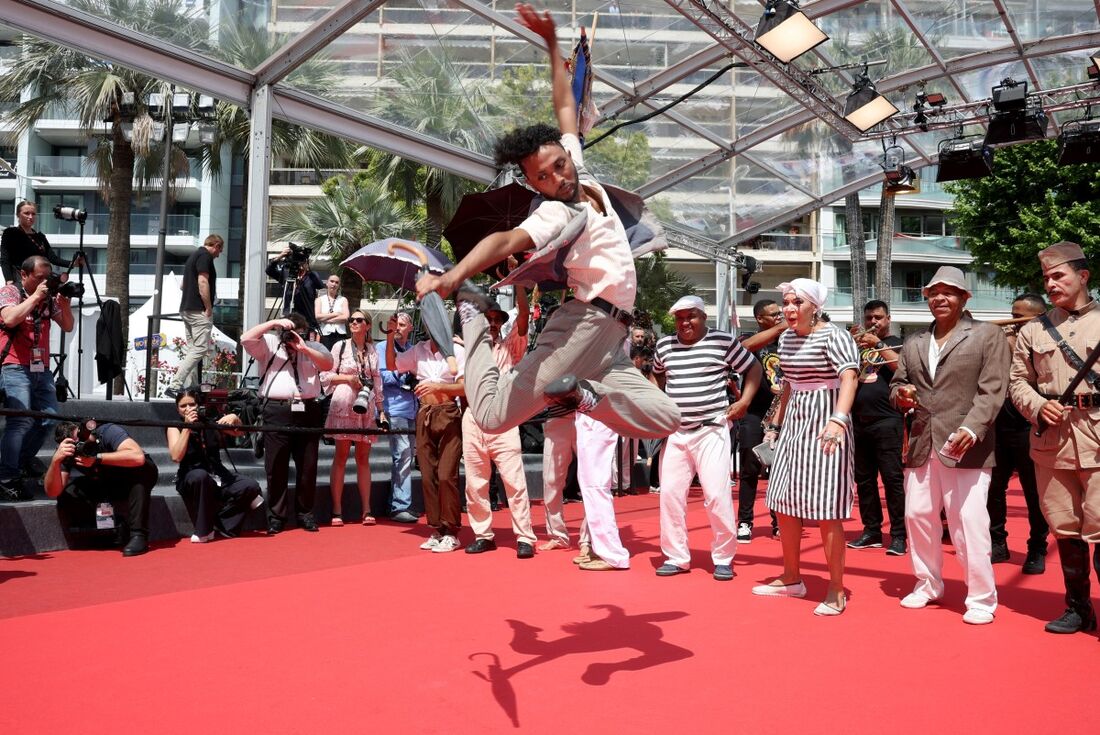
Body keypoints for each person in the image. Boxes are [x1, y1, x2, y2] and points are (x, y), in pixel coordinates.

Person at [415, 4, 679, 442]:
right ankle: (472, 310)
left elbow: (564, 104)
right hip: (583, 326)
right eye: (543, 177)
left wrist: (552, 42)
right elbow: (505, 239)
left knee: (668, 417)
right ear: (532, 182)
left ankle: (585, 396)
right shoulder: (555, 211)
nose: (558, 178)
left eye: (559, 165)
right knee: (491, 417)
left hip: (613, 338)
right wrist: (456, 275)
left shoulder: (578, 165)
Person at [891, 266, 1008, 626]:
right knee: (917, 517)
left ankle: (981, 597)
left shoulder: (987, 335)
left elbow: (993, 390)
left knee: (968, 522)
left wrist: (972, 429)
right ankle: (927, 584)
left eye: (949, 292)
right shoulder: (912, 342)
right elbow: (897, 384)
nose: (940, 298)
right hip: (922, 443)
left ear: (964, 298)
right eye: (933, 292)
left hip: (967, 446)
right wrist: (902, 395)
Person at [752, 278, 858, 616]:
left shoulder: (836, 336)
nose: (789, 308)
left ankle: (836, 589)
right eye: (786, 302)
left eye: (797, 302)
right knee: (783, 501)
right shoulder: (784, 338)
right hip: (794, 425)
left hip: (827, 424)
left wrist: (839, 418)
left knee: (827, 509)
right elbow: (788, 385)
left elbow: (849, 377)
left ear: (815, 305)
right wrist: (774, 426)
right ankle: (792, 578)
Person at [1009, 242, 1100, 634]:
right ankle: (1078, 608)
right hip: (1053, 444)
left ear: (1083, 276)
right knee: (1065, 527)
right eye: (1046, 278)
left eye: (1058, 275)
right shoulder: (1033, 330)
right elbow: (1018, 382)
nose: (1050, 284)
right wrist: (1036, 406)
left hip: (1098, 439)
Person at [652, 295, 761, 581]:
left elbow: (753, 368)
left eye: (691, 316)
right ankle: (676, 557)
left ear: (703, 317)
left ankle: (723, 557)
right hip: (676, 431)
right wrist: (657, 405)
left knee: (716, 495)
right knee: (671, 495)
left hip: (711, 427)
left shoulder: (722, 341)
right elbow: (656, 376)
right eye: (679, 317)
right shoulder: (664, 345)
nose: (684, 322)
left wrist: (745, 401)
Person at [241, 313, 333, 535]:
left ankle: (305, 514)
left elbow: (328, 364)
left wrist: (304, 349)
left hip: (308, 409)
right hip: (276, 409)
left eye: (297, 333)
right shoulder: (270, 343)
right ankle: (277, 516)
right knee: (276, 466)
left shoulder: (310, 346)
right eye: (289, 334)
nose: (292, 339)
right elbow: (245, 338)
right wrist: (273, 324)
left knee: (308, 467)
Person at [463, 292, 538, 559]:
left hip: (504, 416)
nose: (493, 323)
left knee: (514, 481)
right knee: (475, 483)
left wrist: (518, 280)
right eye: (489, 319)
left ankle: (525, 537)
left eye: (497, 319)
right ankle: (483, 535)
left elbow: (523, 317)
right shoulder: (470, 351)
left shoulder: (509, 346)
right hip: (473, 417)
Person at [386, 313, 467, 553]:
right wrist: (390, 336)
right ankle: (437, 529)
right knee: (428, 474)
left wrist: (439, 386)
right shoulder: (418, 350)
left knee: (445, 474)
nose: (435, 328)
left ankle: (451, 530)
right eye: (432, 324)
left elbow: (464, 386)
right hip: (424, 413)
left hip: (449, 413)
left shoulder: (457, 351)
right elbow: (393, 365)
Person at [0, 255, 75, 501]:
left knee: (50, 417)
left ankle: (19, 463)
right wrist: (35, 297)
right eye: (39, 278)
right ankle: (6, 477)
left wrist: (63, 303)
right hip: (13, 366)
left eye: (47, 278)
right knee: (20, 422)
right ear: (24, 275)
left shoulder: (48, 299)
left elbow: (67, 326)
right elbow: (10, 318)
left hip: (40, 367)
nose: (45, 282)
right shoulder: (10, 291)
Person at [989, 293, 1049, 573]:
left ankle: (1037, 547)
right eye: (1012, 315)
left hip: (1029, 427)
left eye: (1019, 317)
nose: (1012, 322)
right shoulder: (1003, 340)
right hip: (998, 425)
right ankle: (997, 542)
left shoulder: (1046, 342)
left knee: (1034, 493)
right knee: (994, 490)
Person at [44, 420, 159, 556]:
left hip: (133, 476)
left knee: (141, 470)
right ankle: (102, 530)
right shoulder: (68, 451)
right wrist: (55, 461)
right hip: (106, 481)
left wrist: (97, 458)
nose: (81, 445)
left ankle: (138, 535)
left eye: (82, 440)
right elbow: (53, 491)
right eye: (76, 444)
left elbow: (138, 457)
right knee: (68, 492)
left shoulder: (107, 431)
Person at [847, 299, 907, 556]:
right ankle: (871, 530)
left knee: (892, 480)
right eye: (869, 317)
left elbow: (902, 369)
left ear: (888, 319)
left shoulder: (896, 343)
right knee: (864, 481)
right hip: (859, 422)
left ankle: (899, 535)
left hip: (888, 420)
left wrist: (879, 345)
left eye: (878, 317)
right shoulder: (857, 346)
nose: (873, 322)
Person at [166, 389, 264, 542]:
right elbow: (176, 456)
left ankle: (223, 523)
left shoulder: (209, 421)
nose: (188, 409)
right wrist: (187, 427)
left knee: (250, 486)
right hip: (192, 475)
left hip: (218, 474)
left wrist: (235, 419)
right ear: (177, 408)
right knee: (200, 475)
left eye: (192, 404)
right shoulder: (174, 426)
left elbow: (239, 433)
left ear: (198, 405)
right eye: (183, 406)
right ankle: (204, 530)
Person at [321, 310, 385, 526]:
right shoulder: (339, 346)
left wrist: (381, 409)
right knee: (340, 456)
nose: (354, 323)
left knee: (363, 458)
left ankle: (367, 509)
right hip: (342, 405)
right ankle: (337, 510)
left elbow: (377, 380)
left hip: (366, 408)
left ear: (367, 325)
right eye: (352, 320)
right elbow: (326, 376)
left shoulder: (372, 350)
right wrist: (348, 378)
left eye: (359, 320)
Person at [735, 298, 787, 541]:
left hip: (783, 414)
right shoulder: (751, 339)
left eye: (780, 314)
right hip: (754, 413)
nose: (780, 317)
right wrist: (780, 327)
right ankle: (745, 522)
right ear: (760, 319)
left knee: (780, 470)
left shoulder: (789, 340)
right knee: (749, 468)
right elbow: (744, 348)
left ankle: (779, 521)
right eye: (774, 315)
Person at [167, 234, 223, 395]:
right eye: (220, 250)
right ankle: (175, 385)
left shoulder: (193, 256)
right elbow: (203, 281)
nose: (219, 255)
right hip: (198, 310)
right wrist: (208, 307)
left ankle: (191, 387)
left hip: (186, 309)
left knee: (192, 349)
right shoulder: (205, 256)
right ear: (216, 245)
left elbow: (183, 285)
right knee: (200, 348)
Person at [377, 311, 418, 523]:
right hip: (394, 408)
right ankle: (399, 505)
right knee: (402, 455)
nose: (400, 328)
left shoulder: (413, 350)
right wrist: (402, 373)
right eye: (397, 324)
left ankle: (400, 502)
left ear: (410, 327)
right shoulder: (383, 348)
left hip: (413, 407)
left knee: (408, 456)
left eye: (403, 325)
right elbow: (381, 376)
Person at [1, 201, 71, 284]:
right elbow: (5, 259)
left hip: (42, 278)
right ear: (18, 215)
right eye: (26, 213)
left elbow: (53, 259)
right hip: (23, 280)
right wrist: (9, 280)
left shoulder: (40, 237)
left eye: (33, 214)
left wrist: (73, 263)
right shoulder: (11, 233)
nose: (30, 217)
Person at [266, 246, 324, 332]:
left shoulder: (311, 276)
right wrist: (280, 256)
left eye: (302, 260)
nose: (299, 262)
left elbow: (320, 285)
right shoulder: (287, 273)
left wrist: (308, 270)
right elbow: (269, 271)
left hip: (306, 317)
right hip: (289, 315)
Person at [314, 274, 350, 351]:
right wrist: (336, 314)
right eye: (332, 281)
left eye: (337, 282)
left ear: (339, 285)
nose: (334, 284)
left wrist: (326, 320)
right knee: (325, 358)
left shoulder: (343, 300)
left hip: (340, 334)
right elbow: (317, 316)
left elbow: (345, 317)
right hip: (324, 334)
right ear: (327, 283)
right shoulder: (319, 300)